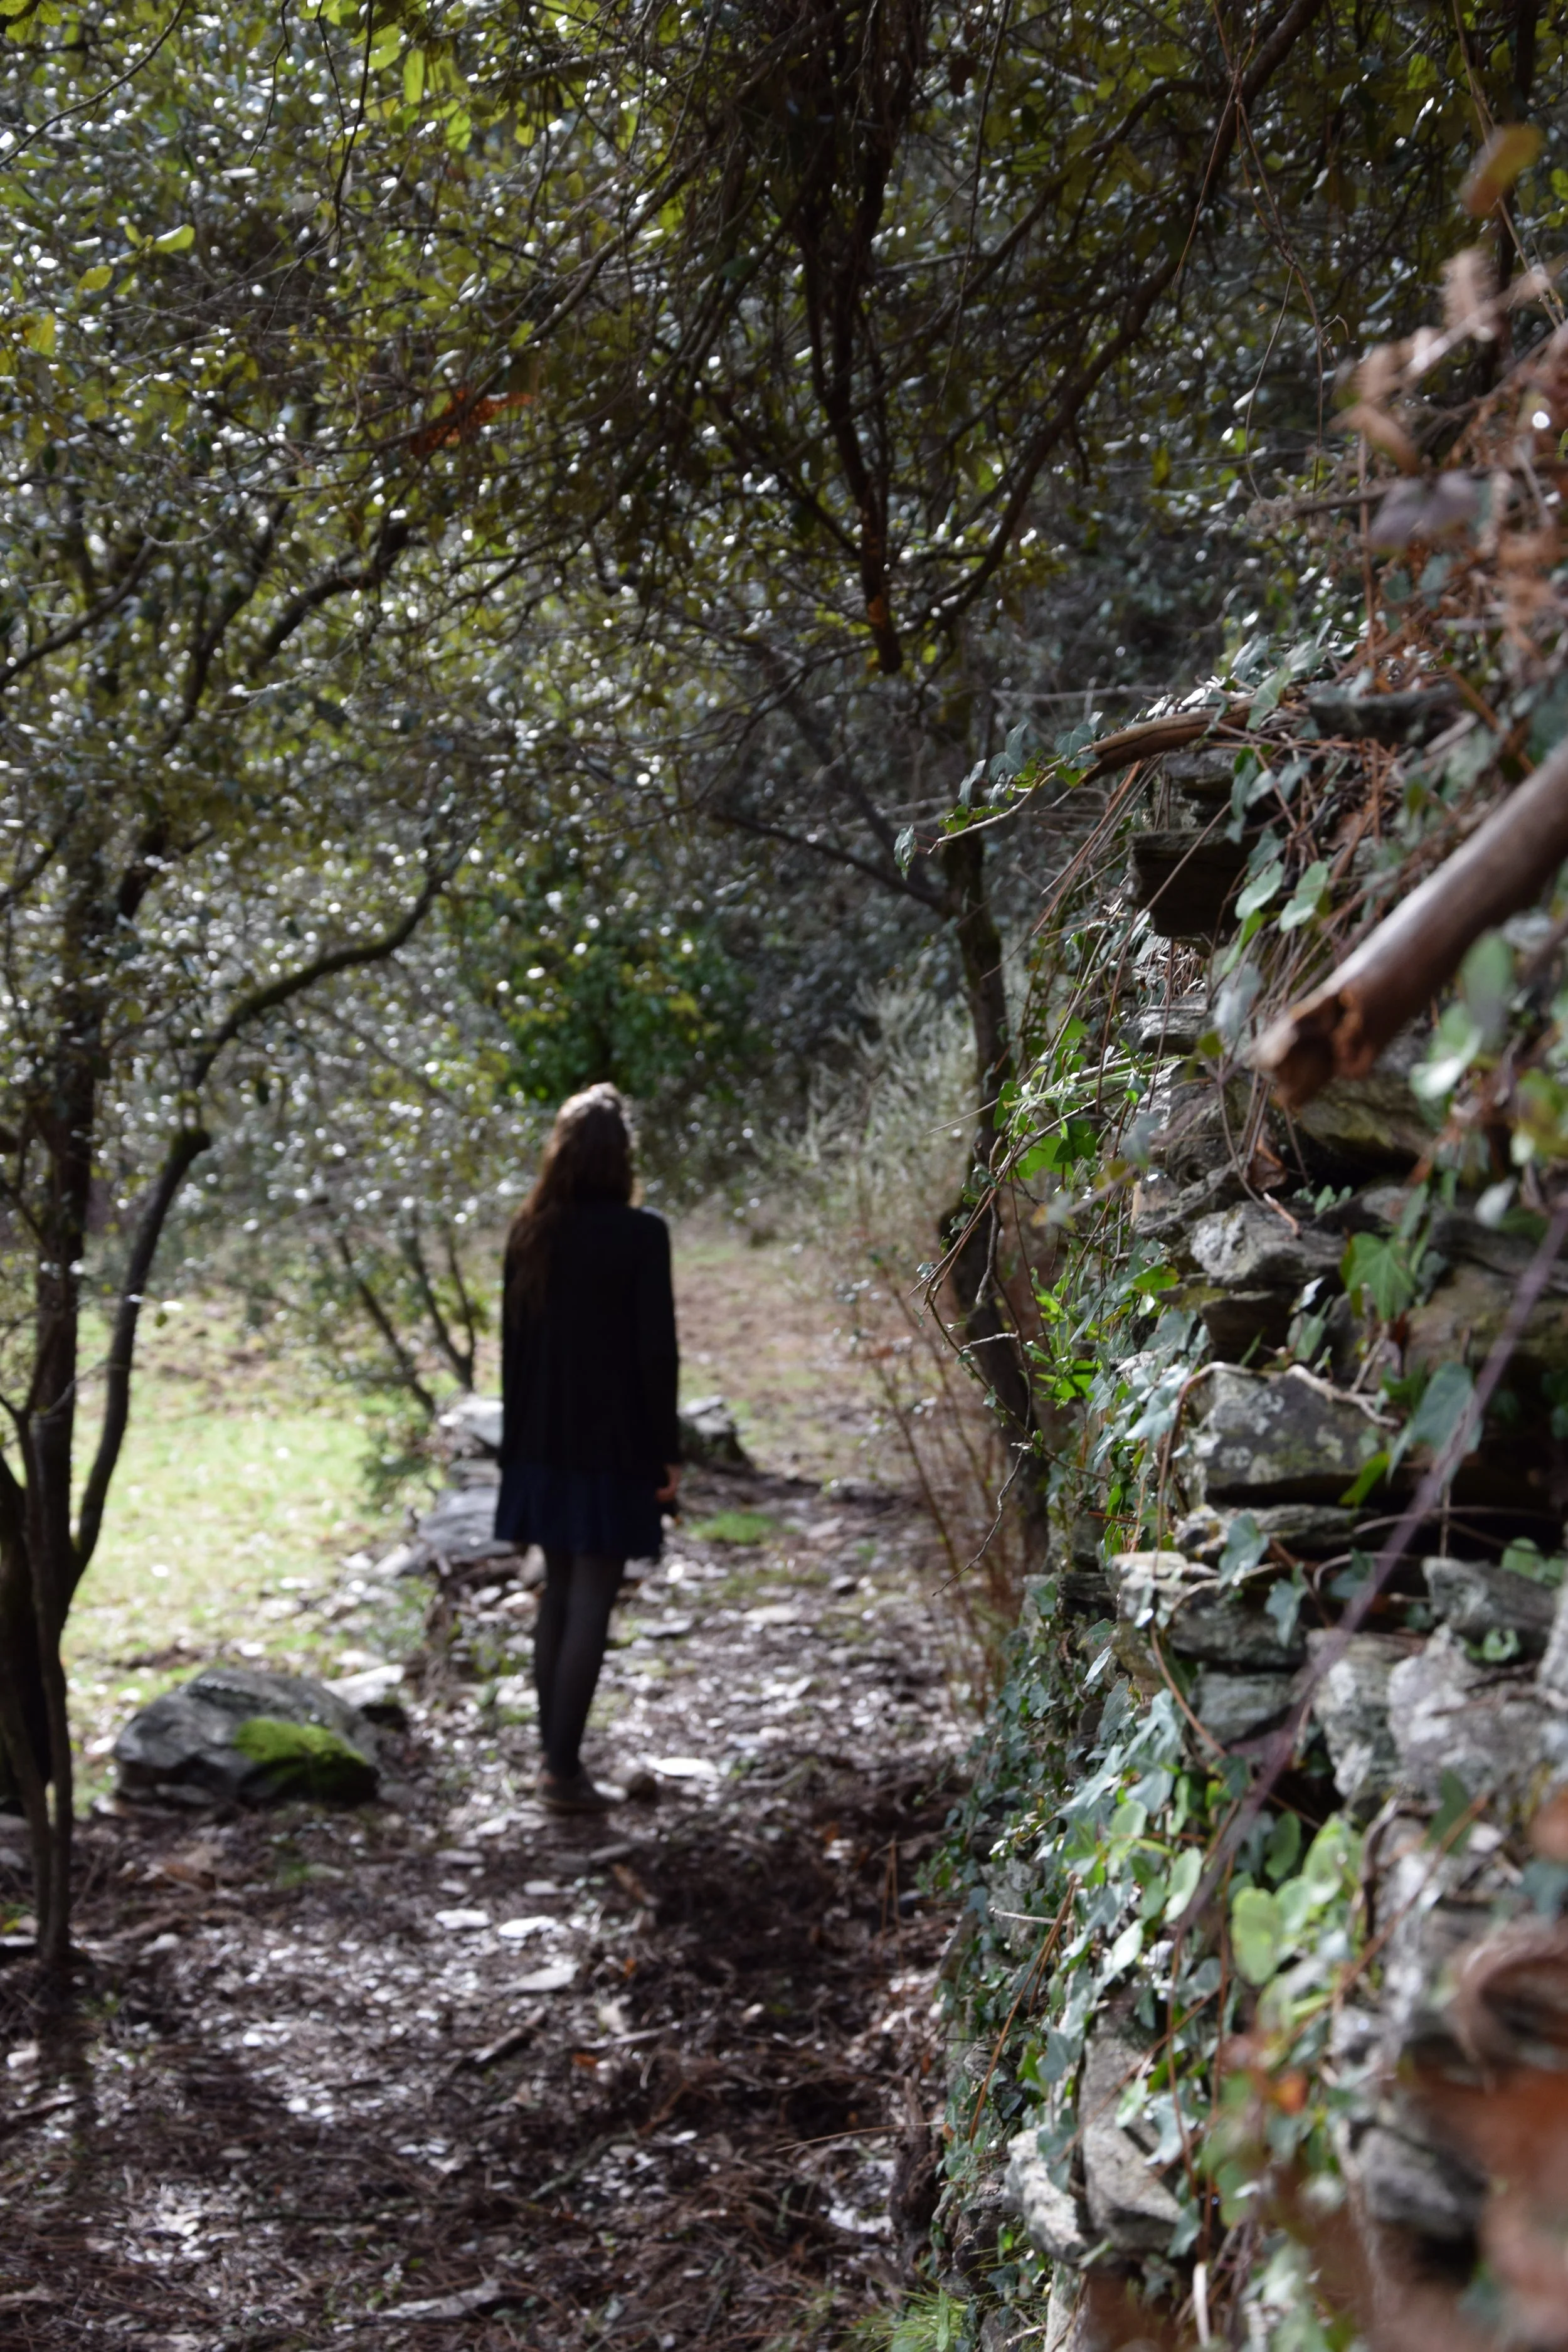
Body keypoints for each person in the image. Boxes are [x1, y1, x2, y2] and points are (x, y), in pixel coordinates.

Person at [495, 1083, 681, 1813]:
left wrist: (514, 1453)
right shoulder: (642, 1234)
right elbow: (655, 1353)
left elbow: (511, 1354)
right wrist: (666, 1451)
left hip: (541, 1442)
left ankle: (556, 1765)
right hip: (610, 1446)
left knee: (559, 1594)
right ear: (621, 1158)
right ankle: (560, 1775)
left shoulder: (530, 1233)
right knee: (590, 1600)